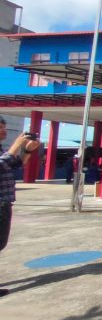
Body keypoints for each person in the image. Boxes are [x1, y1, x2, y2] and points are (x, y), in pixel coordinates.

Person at [1, 118, 41, 297]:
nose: (5, 131)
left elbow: (15, 165)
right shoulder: (6, 150)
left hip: (5, 202)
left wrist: (26, 150)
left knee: (1, 243)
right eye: (1, 129)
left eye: (4, 128)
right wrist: (15, 145)